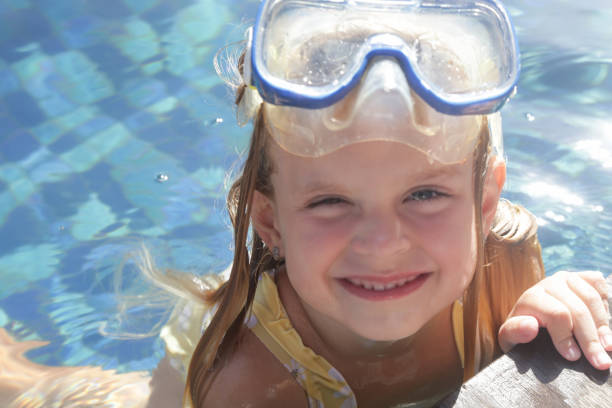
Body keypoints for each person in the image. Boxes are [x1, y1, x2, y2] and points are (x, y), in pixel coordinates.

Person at [1, 1, 610, 407]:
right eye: (331, 202)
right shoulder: (248, 380)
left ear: (485, 200)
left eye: (424, 194)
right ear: (270, 221)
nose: (382, 242)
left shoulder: (505, 256)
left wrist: (552, 310)